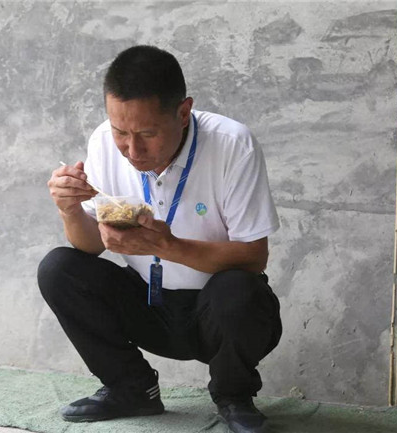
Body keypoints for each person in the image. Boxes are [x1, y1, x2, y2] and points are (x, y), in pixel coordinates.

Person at [38, 45, 282, 433]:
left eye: (148, 134)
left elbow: (255, 257)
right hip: (148, 305)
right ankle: (131, 389)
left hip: (218, 314)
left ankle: (234, 395)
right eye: (121, 132)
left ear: (183, 113)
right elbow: (90, 246)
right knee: (59, 268)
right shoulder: (103, 142)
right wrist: (69, 210)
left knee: (240, 289)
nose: (132, 150)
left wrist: (167, 247)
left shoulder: (232, 145)